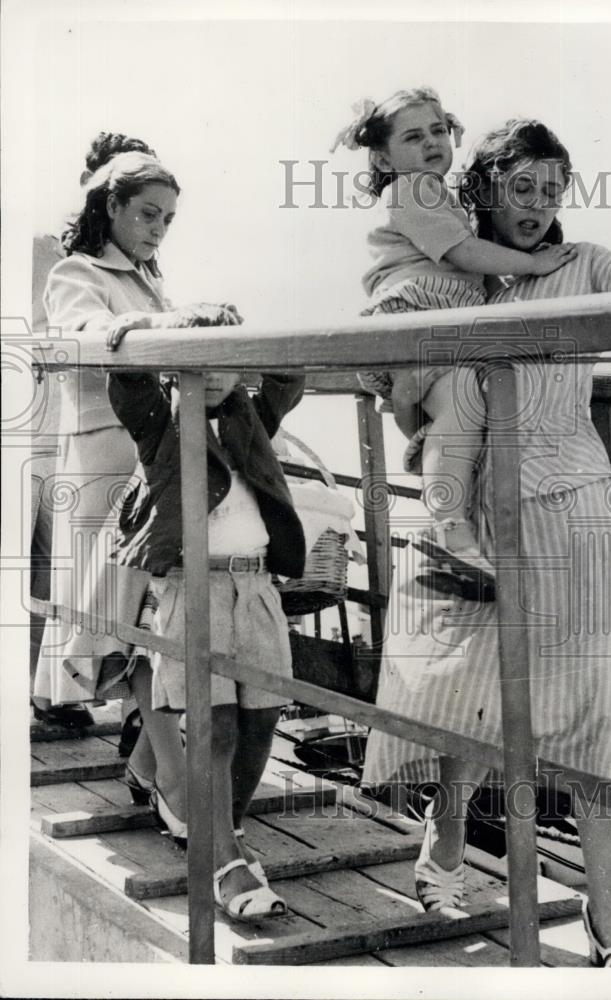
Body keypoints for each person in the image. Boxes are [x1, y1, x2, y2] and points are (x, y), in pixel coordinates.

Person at [361, 118, 611, 966]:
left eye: (551, 191)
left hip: (572, 508)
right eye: (519, 189)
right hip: (468, 512)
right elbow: (385, 355)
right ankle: (446, 845)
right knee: (465, 686)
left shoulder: (586, 262)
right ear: (484, 190)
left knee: (600, 703)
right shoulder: (445, 275)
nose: (536, 208)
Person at [331, 88, 576, 567]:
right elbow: (463, 254)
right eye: (414, 136)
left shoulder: (439, 197)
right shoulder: (412, 191)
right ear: (383, 158)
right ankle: (446, 530)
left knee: (459, 406)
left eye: (439, 130)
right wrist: (533, 264)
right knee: (463, 405)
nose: (431, 143)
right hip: (417, 318)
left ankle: (445, 524)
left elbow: (473, 270)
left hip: (440, 322)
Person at [104, 364, 306, 920]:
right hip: (195, 584)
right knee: (214, 723)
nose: (213, 376)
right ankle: (223, 860)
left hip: (258, 583)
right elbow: (126, 381)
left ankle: (227, 834)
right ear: (177, 367)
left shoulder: (251, 414)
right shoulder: (160, 424)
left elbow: (288, 374)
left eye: (226, 363)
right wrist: (156, 333)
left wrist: (251, 350)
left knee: (262, 718)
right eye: (201, 363)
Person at [30, 132, 157, 729]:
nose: (158, 228)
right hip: (99, 439)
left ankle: (130, 712)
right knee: (91, 578)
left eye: (166, 218)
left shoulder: (141, 275)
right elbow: (84, 328)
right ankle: (63, 696)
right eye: (148, 213)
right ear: (108, 201)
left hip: (140, 440)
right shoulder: (73, 269)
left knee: (118, 578)